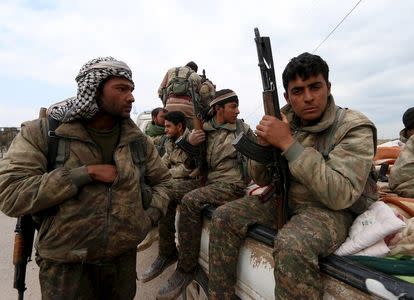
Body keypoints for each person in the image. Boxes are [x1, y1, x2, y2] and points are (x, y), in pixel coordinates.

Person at [208, 53, 377, 299]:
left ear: (328, 87)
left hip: (330, 209)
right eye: (298, 91)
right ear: (287, 97)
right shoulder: (283, 120)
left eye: (315, 87)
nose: (308, 98)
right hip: (285, 198)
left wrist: (288, 143)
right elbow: (262, 179)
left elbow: (341, 194)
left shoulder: (352, 126)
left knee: (292, 244)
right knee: (223, 216)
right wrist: (265, 146)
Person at [0, 57, 171, 300]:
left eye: (131, 89)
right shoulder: (44, 133)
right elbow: (10, 193)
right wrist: (83, 174)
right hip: (66, 267)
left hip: (121, 265)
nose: (131, 97)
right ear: (94, 90)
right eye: (121, 89)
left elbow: (164, 182)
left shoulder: (137, 141)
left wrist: (146, 218)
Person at [144, 89, 253, 300]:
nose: (238, 111)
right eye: (233, 107)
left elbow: (259, 157)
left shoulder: (242, 130)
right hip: (209, 183)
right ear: (218, 109)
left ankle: (186, 268)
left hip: (231, 185)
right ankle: (167, 253)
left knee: (191, 200)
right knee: (167, 191)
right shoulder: (205, 130)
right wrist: (189, 144)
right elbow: (192, 164)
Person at [138, 111, 200, 256]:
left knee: (164, 191)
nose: (165, 129)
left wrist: (164, 176)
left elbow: (187, 169)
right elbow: (164, 162)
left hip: (191, 181)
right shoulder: (170, 141)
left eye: (168, 126)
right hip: (175, 180)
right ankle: (150, 230)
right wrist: (151, 175)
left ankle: (167, 248)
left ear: (179, 126)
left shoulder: (190, 141)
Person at [158, 61, 215, 128]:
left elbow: (160, 91)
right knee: (189, 133)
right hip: (188, 111)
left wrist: (166, 103)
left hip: (169, 108)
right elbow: (203, 94)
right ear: (195, 70)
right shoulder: (196, 76)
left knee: (171, 131)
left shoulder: (170, 71)